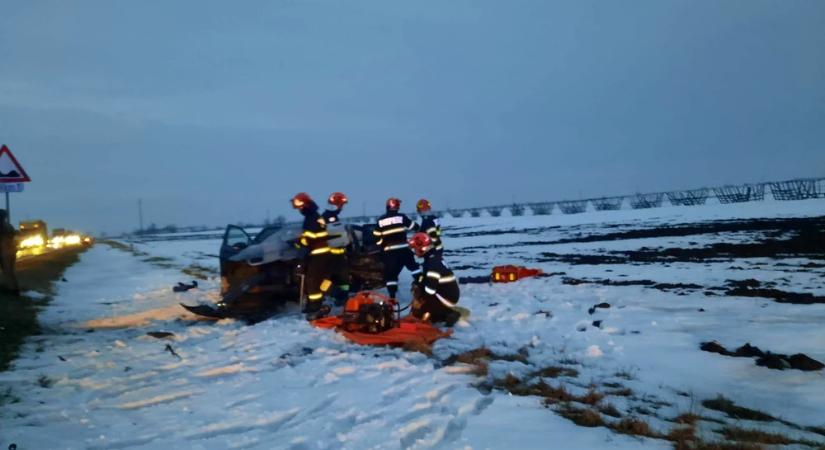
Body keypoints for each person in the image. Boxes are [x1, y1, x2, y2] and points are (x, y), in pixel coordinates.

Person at [291, 193, 332, 320]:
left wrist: (300, 242)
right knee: (316, 280)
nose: (299, 209)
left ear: (306, 205)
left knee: (312, 281)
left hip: (318, 253)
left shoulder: (311, 218)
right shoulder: (316, 216)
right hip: (321, 252)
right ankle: (314, 304)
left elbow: (310, 238)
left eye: (300, 207)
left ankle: (315, 307)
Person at [408, 232, 460, 326]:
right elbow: (427, 279)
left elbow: (430, 291)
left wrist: (419, 293)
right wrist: (418, 283)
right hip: (447, 293)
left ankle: (448, 314)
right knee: (420, 302)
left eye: (415, 249)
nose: (414, 252)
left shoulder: (432, 263)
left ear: (422, 248)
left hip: (446, 297)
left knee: (419, 313)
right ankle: (439, 312)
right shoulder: (432, 258)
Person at [373, 197, 419, 299]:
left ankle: (392, 296)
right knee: (414, 268)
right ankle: (422, 285)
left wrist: (381, 244)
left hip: (390, 252)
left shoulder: (381, 220)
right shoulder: (401, 217)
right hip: (404, 250)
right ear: (397, 207)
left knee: (391, 275)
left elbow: (376, 235)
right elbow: (414, 226)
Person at [322, 192, 350, 304]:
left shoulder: (333, 217)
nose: (341, 208)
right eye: (340, 205)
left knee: (343, 280)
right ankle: (336, 294)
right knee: (325, 279)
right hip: (330, 256)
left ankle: (342, 298)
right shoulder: (326, 218)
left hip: (339, 255)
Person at [0, 209, 19, 296]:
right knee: (10, 272)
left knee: (8, 272)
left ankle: (12, 291)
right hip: (11, 252)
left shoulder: (2, 226)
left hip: (5, 252)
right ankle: (14, 289)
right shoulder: (9, 226)